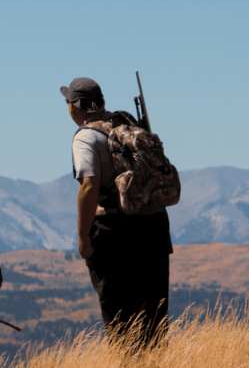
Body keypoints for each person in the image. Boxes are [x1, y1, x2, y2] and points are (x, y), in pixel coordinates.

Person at [62, 77, 173, 348]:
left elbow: (89, 186)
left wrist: (82, 237)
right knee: (154, 315)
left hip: (113, 232)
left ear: (75, 106)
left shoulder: (86, 137)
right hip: (154, 226)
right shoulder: (129, 125)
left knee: (120, 317)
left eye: (67, 102)